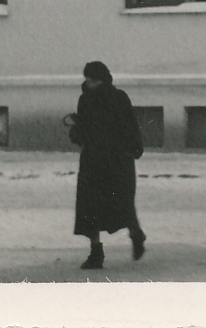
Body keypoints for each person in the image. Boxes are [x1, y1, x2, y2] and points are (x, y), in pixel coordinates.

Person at [71, 60, 146, 269]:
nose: (90, 83)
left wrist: (133, 148)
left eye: (93, 79)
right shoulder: (85, 100)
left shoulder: (118, 98)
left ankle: (136, 234)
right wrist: (77, 132)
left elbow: (129, 125)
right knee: (89, 207)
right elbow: (85, 128)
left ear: (103, 79)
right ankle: (96, 251)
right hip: (94, 160)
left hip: (115, 160)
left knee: (122, 203)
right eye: (87, 79)